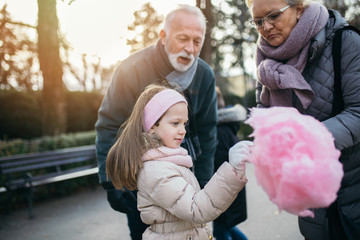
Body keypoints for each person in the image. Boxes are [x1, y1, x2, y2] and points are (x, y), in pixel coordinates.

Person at [95, 4, 218, 240]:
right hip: (142, 180)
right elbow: (109, 125)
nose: (189, 49)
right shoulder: (130, 70)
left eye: (197, 41)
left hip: (186, 178)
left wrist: (203, 179)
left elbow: (208, 132)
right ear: (163, 36)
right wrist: (112, 182)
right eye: (182, 39)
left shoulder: (204, 75)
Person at [245, 0, 360, 239]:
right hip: (309, 195)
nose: (265, 27)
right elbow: (264, 114)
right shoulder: (266, 63)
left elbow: (358, 112)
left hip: (352, 188)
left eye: (273, 16)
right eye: (258, 21)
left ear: (298, 8)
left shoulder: (345, 41)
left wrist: (304, 139)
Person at [106, 84, 253, 240]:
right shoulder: (157, 171)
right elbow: (197, 209)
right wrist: (232, 170)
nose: (183, 130)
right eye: (175, 123)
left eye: (185, 123)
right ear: (152, 126)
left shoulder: (169, 161)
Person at [213, 86, 248, 240]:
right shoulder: (226, 128)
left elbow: (218, 166)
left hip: (224, 192)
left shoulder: (219, 132)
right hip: (230, 192)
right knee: (226, 227)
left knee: (221, 231)